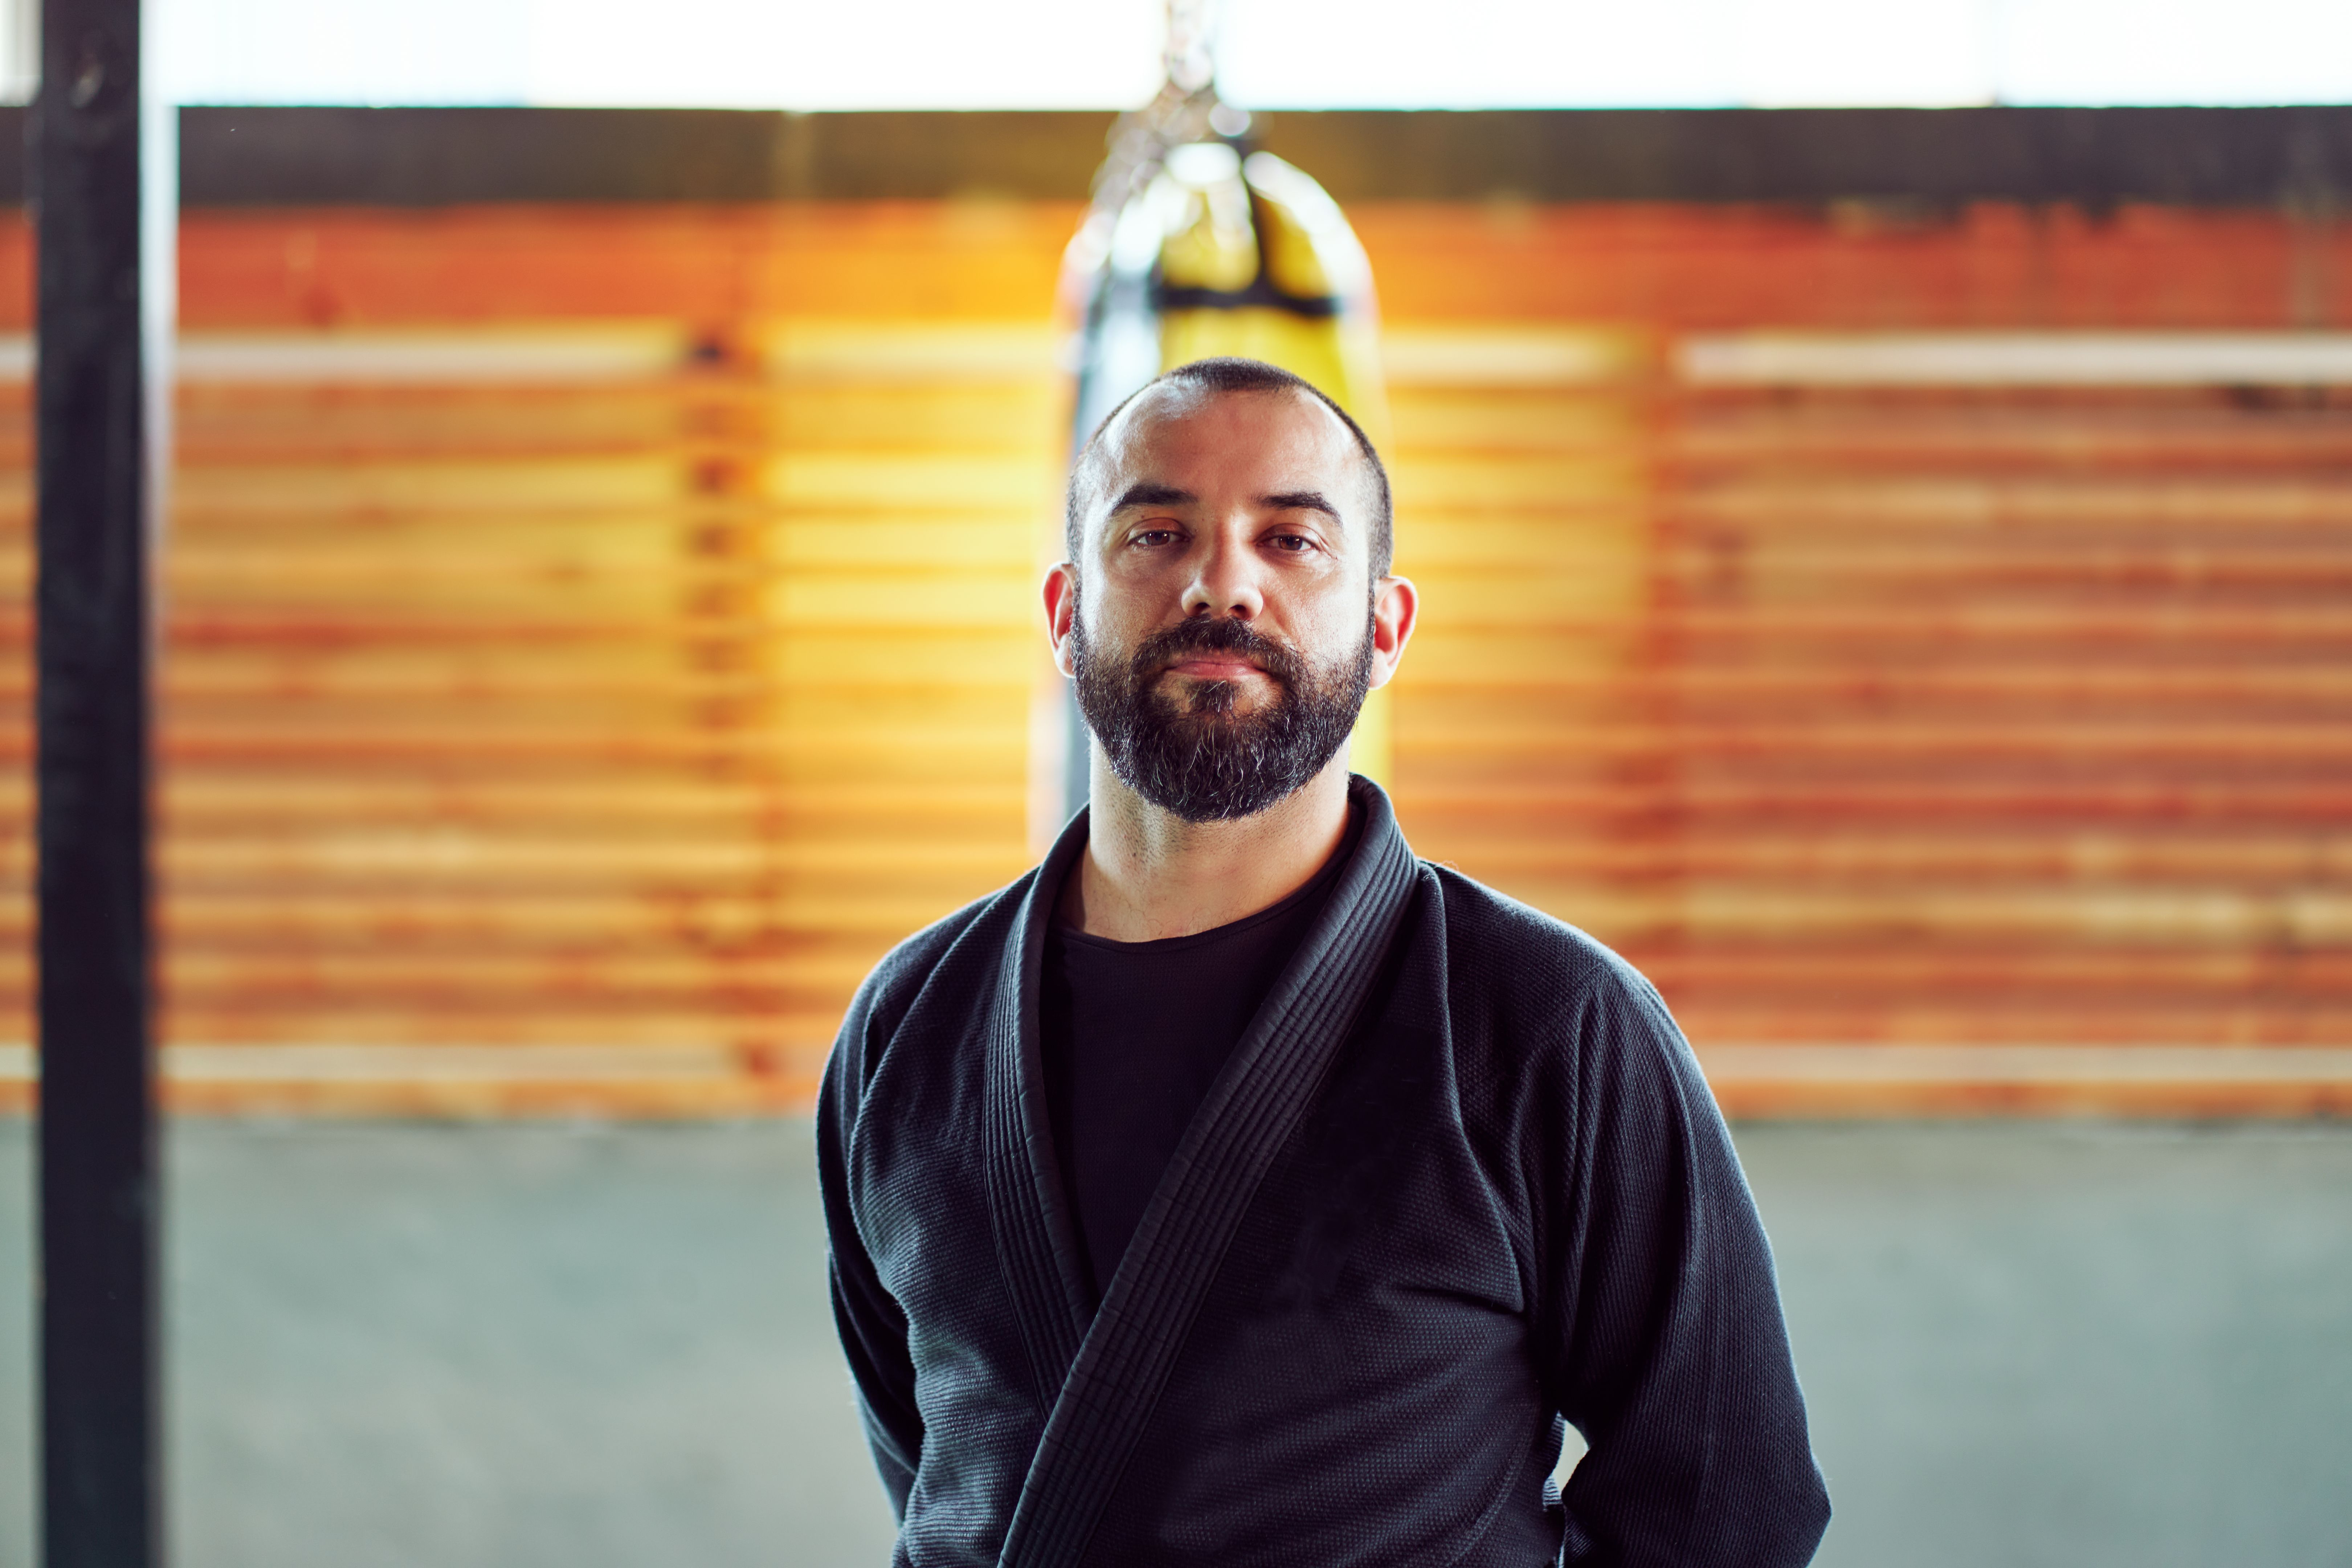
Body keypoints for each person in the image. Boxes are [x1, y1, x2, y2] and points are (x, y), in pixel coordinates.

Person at [817, 356, 1830, 1568]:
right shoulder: (912, 1024)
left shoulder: (1549, 1023)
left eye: (1291, 540)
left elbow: (1727, 1505)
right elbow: (936, 1465)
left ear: (1386, 627)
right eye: (1154, 532)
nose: (1218, 585)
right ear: (1065, 614)